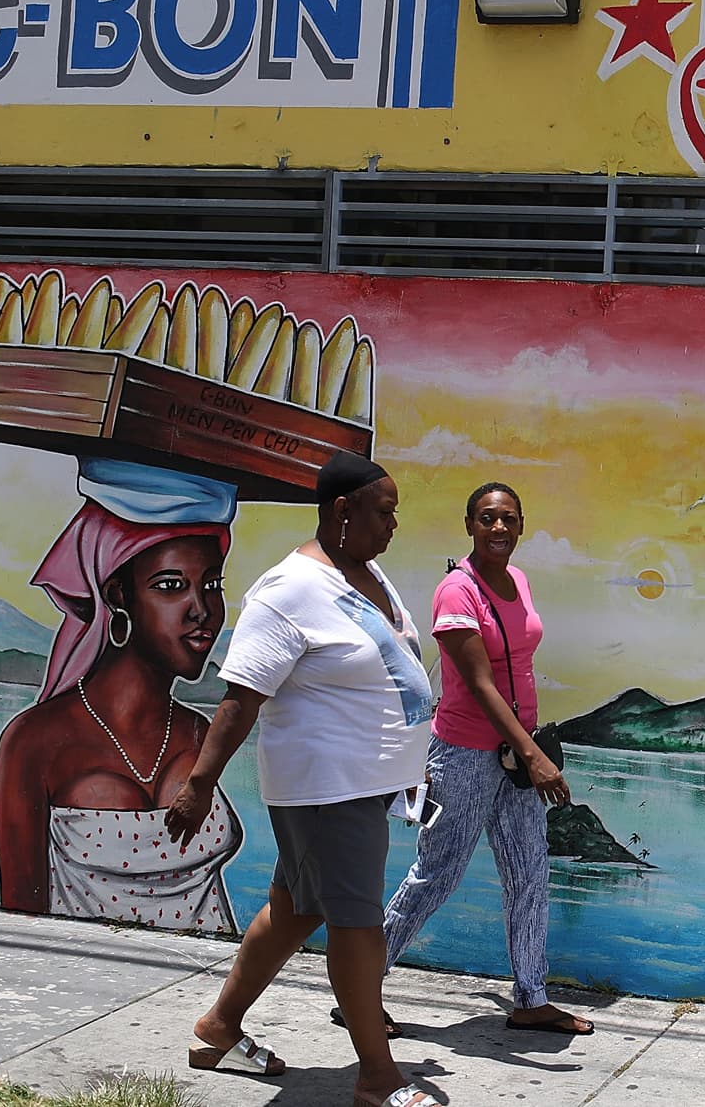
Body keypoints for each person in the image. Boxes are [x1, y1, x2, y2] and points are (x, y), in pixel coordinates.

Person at [164, 451, 438, 1107]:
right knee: (357, 924)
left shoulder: (364, 575)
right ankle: (377, 1076)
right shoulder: (288, 588)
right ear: (343, 511)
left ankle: (217, 1028)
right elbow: (240, 697)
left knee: (296, 908)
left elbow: (389, 673)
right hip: (326, 788)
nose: (394, 524)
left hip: (361, 785)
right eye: (385, 511)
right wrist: (200, 782)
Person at [377, 482, 593, 1036]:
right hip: (466, 756)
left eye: (510, 520)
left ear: (521, 526)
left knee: (529, 874)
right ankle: (361, 986)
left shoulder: (518, 581)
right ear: (469, 524)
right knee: (436, 875)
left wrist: (527, 750)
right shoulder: (457, 592)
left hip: (517, 757)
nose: (499, 529)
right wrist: (532, 753)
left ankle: (531, 997)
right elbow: (476, 682)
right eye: (488, 519)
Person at [0, 458, 240, 931]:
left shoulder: (196, 731)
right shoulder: (34, 742)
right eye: (171, 587)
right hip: (95, 988)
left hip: (202, 990)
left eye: (212, 585)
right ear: (117, 595)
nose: (202, 610)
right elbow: (20, 920)